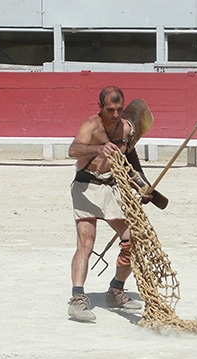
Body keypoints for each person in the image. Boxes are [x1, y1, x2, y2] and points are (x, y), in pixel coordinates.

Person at [67, 86, 143, 322]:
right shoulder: (91, 125)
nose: (115, 114)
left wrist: (142, 186)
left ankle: (116, 290)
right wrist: (98, 148)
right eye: (110, 109)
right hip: (86, 187)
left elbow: (131, 160)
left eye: (119, 109)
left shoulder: (126, 128)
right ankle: (77, 299)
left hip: (111, 188)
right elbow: (73, 150)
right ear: (100, 108)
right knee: (86, 242)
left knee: (133, 239)